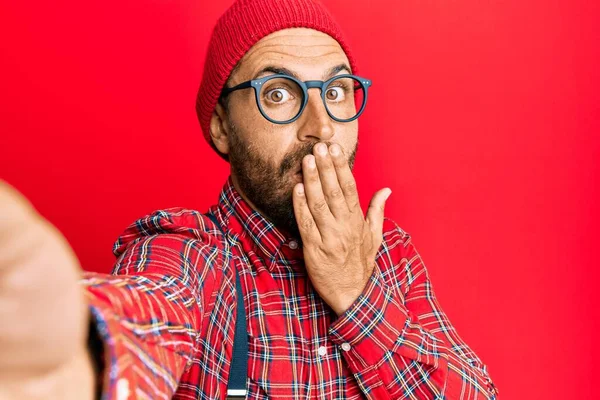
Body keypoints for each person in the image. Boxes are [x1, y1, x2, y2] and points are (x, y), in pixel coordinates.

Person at [0, 0, 499, 399]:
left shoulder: (390, 256)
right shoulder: (189, 251)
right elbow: (153, 308)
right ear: (222, 127)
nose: (321, 128)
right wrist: (74, 352)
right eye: (278, 93)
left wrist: (357, 294)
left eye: (337, 90)